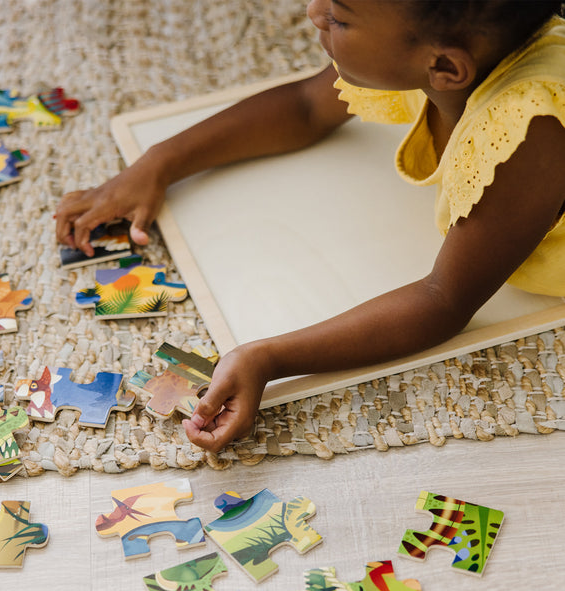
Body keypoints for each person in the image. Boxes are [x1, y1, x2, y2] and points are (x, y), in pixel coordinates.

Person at [55, 0, 565, 452]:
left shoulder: (530, 127)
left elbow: (443, 300)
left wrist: (267, 356)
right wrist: (156, 165)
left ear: (445, 67)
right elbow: (304, 108)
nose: (312, 12)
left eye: (340, 17)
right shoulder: (440, 57)